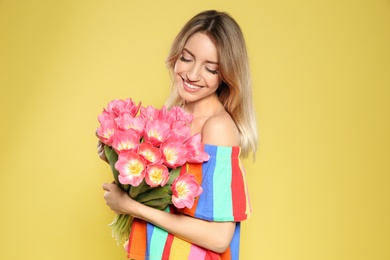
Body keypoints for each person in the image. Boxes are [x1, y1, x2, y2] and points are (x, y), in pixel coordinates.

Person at [98, 10, 258, 259]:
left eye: (211, 69)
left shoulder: (217, 128)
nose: (192, 75)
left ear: (226, 75)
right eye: (187, 58)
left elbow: (219, 238)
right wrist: (117, 156)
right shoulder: (173, 115)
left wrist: (131, 206)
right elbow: (166, 195)